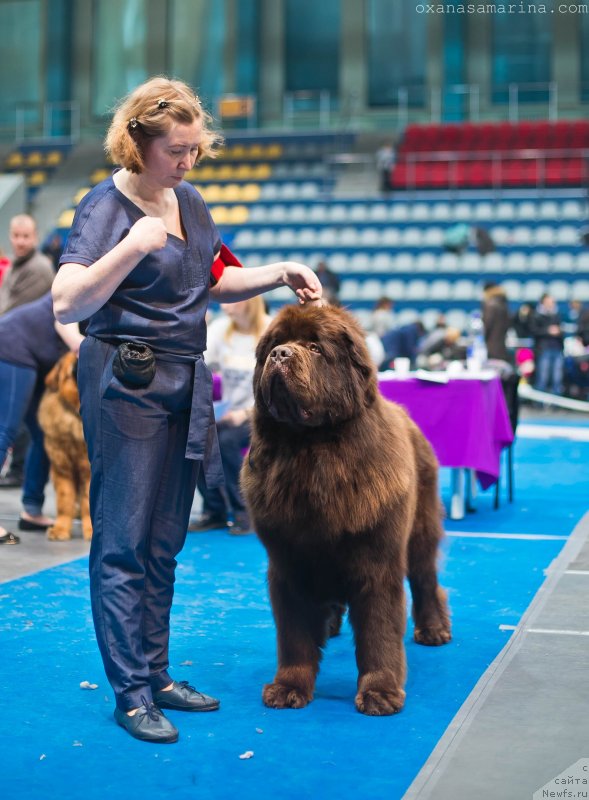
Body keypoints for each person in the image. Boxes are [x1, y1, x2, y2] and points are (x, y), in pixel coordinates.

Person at [51, 76, 322, 745]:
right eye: (177, 150)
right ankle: (131, 692)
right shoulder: (102, 208)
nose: (188, 161)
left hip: (184, 377)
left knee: (166, 539)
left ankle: (157, 672)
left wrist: (280, 270)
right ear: (138, 141)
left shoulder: (191, 202)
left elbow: (216, 278)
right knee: (124, 542)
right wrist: (132, 247)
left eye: (194, 150)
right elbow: (68, 303)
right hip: (125, 381)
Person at [0, 292, 83, 545]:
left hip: (37, 358)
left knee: (46, 434)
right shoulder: (86, 278)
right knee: (5, 431)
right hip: (12, 346)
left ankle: (32, 510)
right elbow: (70, 334)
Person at [189, 296, 271, 535]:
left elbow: (280, 388)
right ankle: (213, 511)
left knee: (225, 441)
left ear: (248, 300)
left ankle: (244, 511)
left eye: (231, 297)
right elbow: (200, 358)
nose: (223, 300)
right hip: (229, 412)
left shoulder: (269, 329)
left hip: (264, 414)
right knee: (196, 438)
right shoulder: (221, 328)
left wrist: (245, 413)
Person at [0, 214, 55, 314]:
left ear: (35, 237)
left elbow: (12, 312)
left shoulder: (39, 268)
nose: (20, 242)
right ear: (10, 236)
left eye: (26, 236)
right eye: (16, 235)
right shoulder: (12, 264)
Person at [530, 293, 564, 397]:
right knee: (543, 376)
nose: (551, 304)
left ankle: (557, 402)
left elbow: (561, 330)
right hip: (544, 349)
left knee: (557, 377)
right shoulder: (536, 315)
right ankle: (540, 401)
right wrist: (548, 331)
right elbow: (534, 331)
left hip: (557, 348)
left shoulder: (556, 314)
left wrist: (559, 331)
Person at [481, 281, 511, 362]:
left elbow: (487, 324)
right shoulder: (503, 302)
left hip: (492, 342)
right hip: (501, 341)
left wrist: (484, 338)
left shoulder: (490, 304)